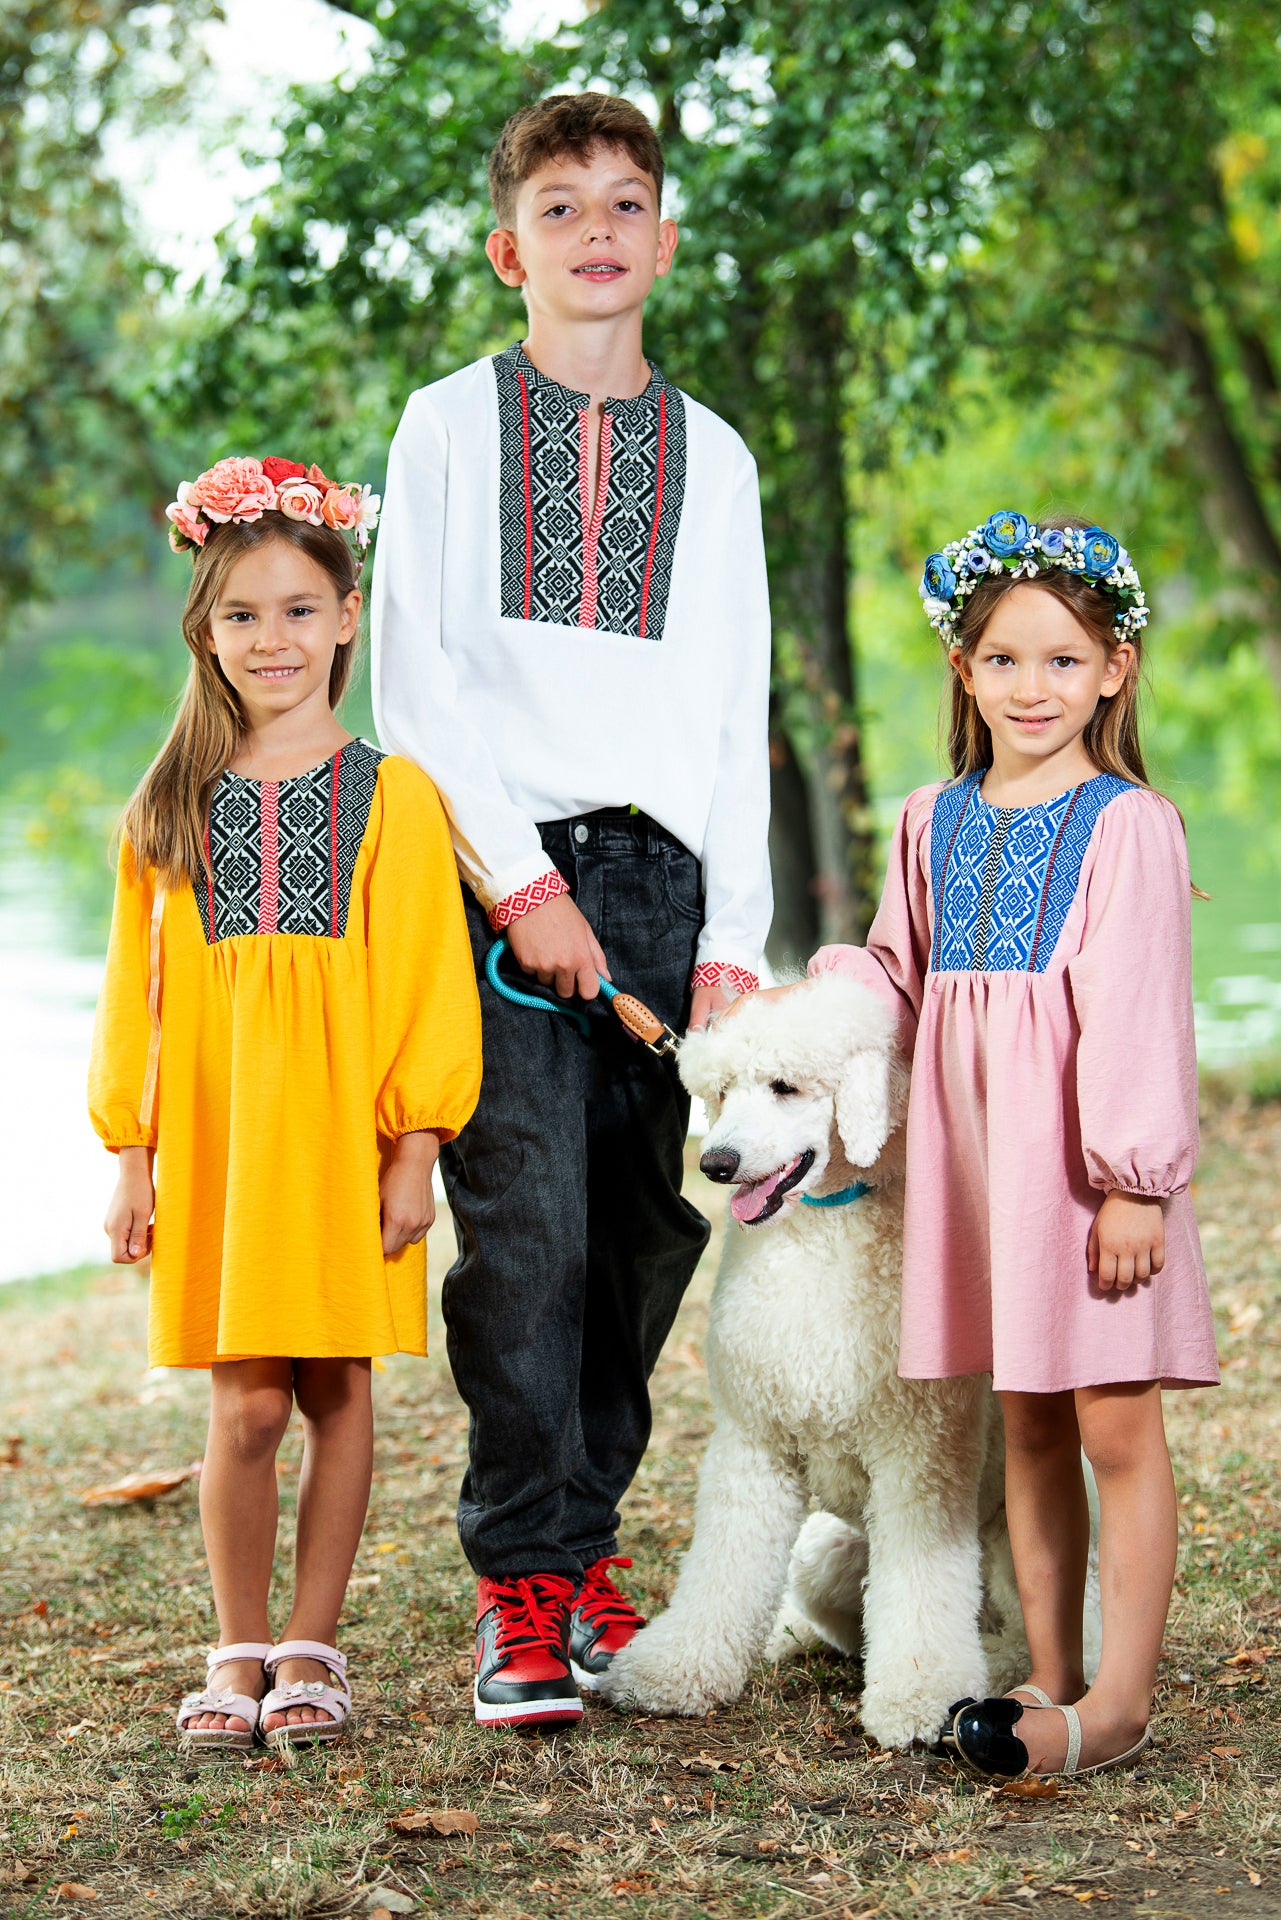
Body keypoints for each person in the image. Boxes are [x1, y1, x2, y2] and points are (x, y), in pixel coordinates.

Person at [372, 92, 772, 1729]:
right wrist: (520, 884)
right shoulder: (446, 425)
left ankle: (590, 1543)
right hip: (501, 881)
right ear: (506, 249)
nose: (594, 228)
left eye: (623, 203)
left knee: (639, 1233)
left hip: (666, 883)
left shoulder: (718, 455)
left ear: (662, 243)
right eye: (560, 205)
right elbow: (413, 679)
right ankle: (523, 1577)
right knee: (524, 1231)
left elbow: (734, 703)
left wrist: (732, 940)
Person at [808, 511, 1218, 1779]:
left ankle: (1122, 1700)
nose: (1031, 687)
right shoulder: (929, 818)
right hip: (984, 1176)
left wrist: (1135, 1184)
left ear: (1114, 670)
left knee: (1114, 1429)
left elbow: (1138, 1008)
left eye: (1061, 660)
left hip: (1085, 1177)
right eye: (1002, 660)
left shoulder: (1127, 822)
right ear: (964, 670)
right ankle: (1050, 1667)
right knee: (1026, 1424)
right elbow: (897, 975)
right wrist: (809, 1017)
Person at [89, 457, 482, 1754]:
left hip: (340, 1132)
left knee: (334, 1389)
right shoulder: (169, 808)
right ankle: (236, 1646)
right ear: (204, 631)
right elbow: (139, 999)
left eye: (300, 610)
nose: (274, 638)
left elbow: (425, 979)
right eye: (244, 615)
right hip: (223, 1138)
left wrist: (416, 1145)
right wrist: (132, 1151)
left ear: (347, 617)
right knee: (247, 1402)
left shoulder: (394, 795)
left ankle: (311, 1644)